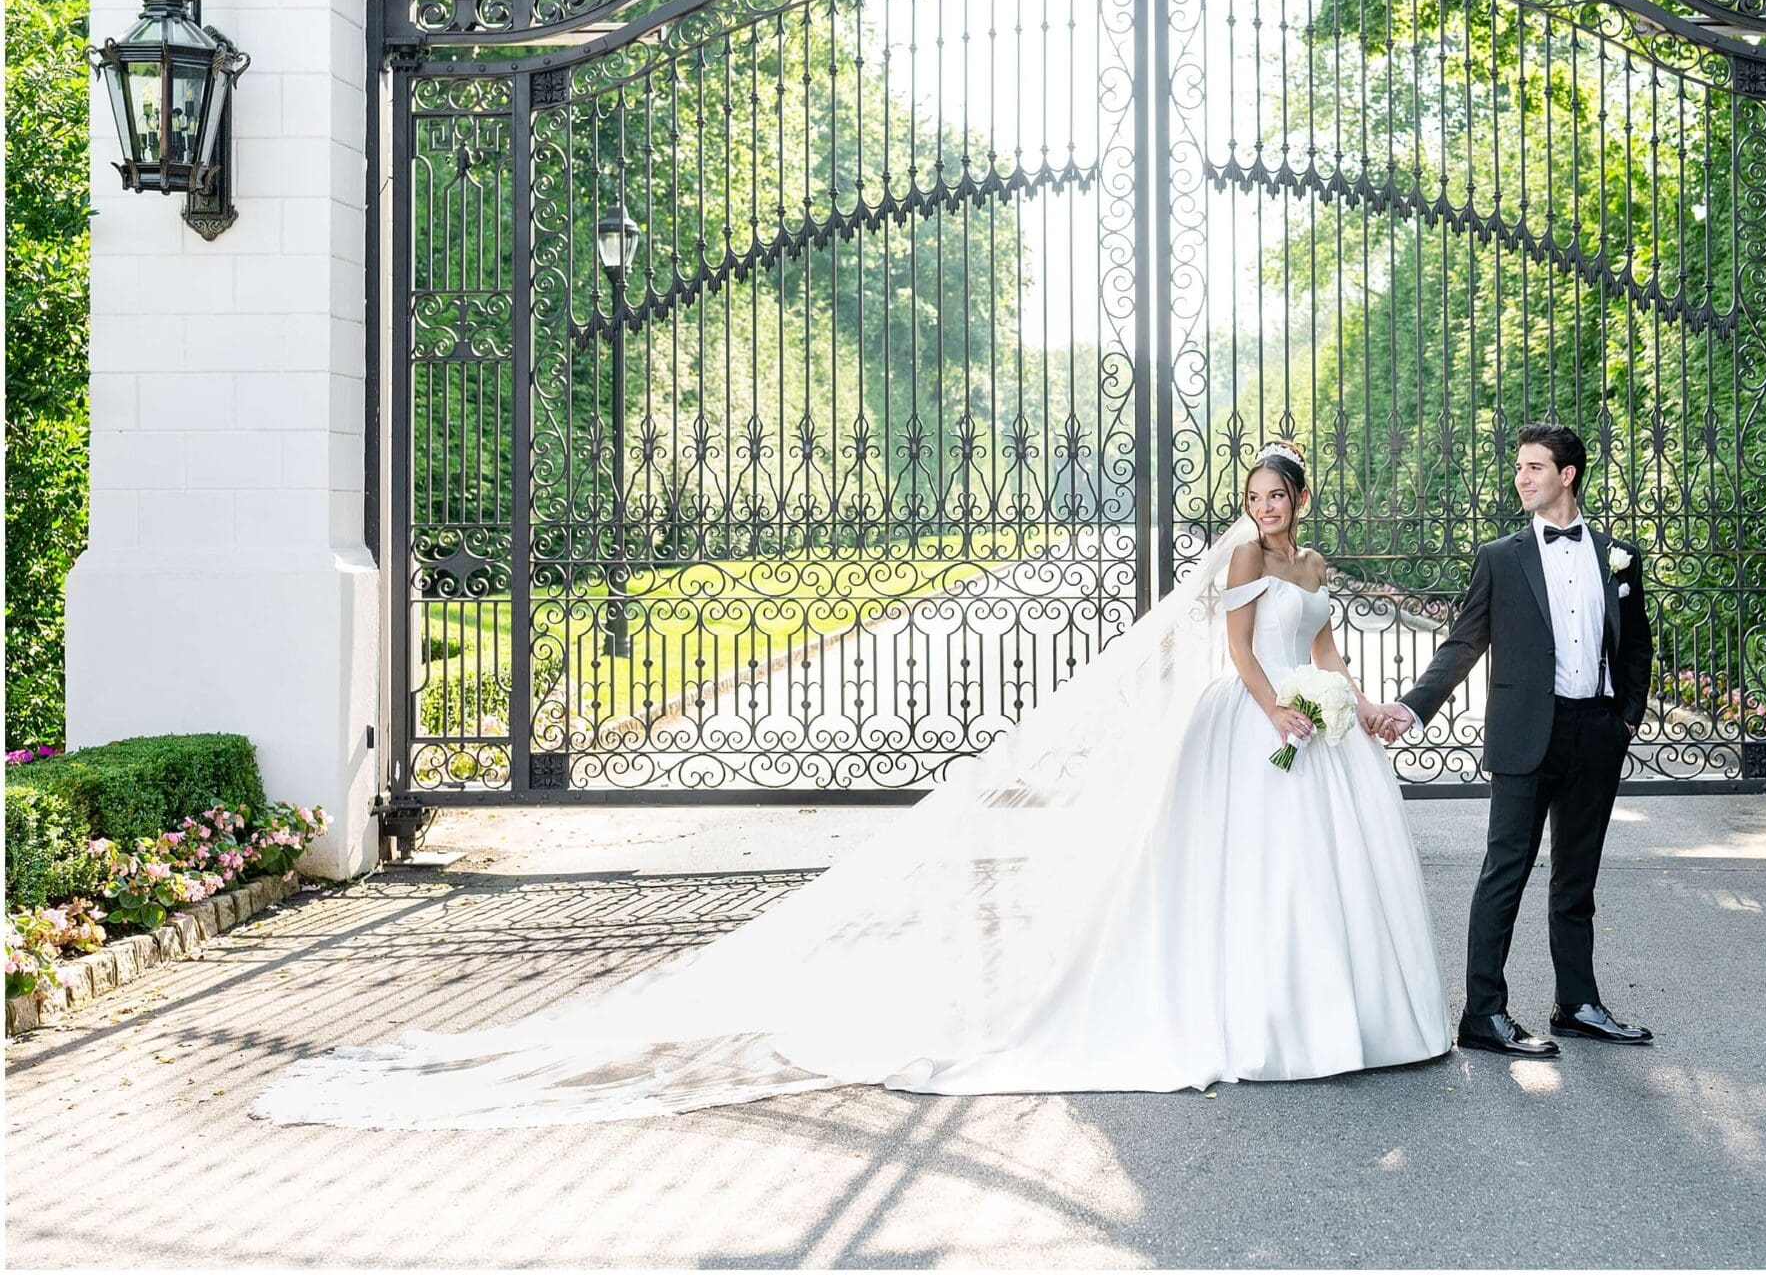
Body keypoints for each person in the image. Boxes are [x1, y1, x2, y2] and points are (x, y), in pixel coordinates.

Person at [252, 444, 1449, 1126]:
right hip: (1247, 728)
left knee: (1315, 880)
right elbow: (1238, 654)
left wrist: (1346, 699)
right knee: (1234, 877)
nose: (1265, 509)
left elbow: (1320, 644)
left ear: (1302, 500)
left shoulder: (1314, 563)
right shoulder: (1239, 558)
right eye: (1255, 494)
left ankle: (1332, 1011)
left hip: (1314, 731)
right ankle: (1259, 1008)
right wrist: (1278, 707)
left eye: (1278, 495)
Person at [1388, 421, 1655, 1058]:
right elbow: (1463, 642)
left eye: (1534, 467)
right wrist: (1413, 706)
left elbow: (1637, 641)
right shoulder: (1500, 557)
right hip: (1524, 735)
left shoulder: (1616, 556)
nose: (1522, 477)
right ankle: (1483, 1012)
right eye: (1519, 468)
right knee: (1504, 873)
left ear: (1567, 475)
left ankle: (1578, 1003)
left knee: (1577, 878)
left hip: (1595, 731)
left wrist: (1627, 718)